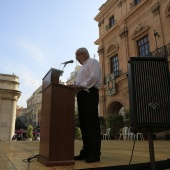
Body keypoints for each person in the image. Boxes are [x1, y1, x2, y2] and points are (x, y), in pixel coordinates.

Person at [68, 47, 101, 163]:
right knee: (84, 125)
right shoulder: (82, 69)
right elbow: (79, 84)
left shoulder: (93, 62)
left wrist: (78, 86)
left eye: (77, 56)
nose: (76, 59)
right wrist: (73, 88)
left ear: (83, 54)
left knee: (91, 124)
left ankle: (94, 153)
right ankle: (86, 151)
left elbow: (95, 77)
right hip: (81, 96)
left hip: (90, 93)